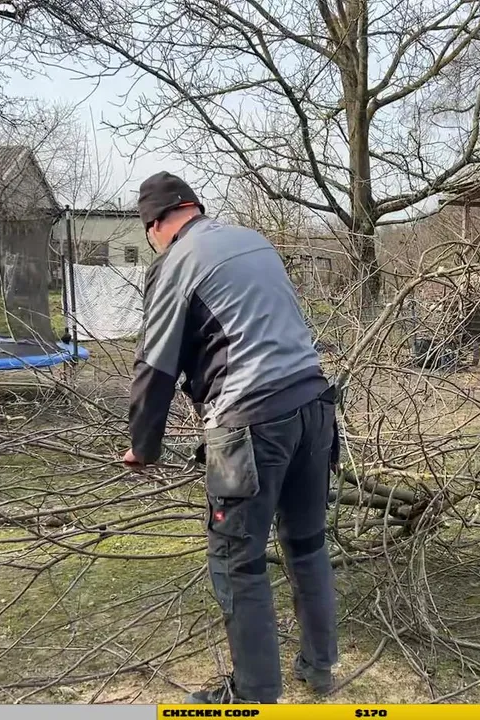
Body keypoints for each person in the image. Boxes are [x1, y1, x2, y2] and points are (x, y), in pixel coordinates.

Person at [122, 172, 339, 704]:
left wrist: (142, 446)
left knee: (237, 560)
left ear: (155, 225)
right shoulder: (251, 239)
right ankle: (319, 667)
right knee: (307, 544)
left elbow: (155, 365)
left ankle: (253, 695)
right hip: (315, 406)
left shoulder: (176, 261)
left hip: (251, 424)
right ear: (194, 207)